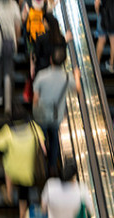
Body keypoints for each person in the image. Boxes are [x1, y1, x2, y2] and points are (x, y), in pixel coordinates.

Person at [0, 103, 46, 218]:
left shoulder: (8, 132)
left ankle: (9, 195)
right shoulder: (34, 127)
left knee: (7, 167)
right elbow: (43, 150)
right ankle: (22, 214)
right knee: (23, 194)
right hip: (29, 172)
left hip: (13, 169)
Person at [32, 46, 81, 175]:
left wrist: (34, 113)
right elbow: (78, 89)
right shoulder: (67, 77)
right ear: (64, 62)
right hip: (57, 115)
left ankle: (40, 162)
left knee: (40, 138)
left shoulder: (42, 76)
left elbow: (35, 99)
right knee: (54, 139)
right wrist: (76, 76)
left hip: (41, 114)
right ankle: (52, 166)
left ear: (50, 60)